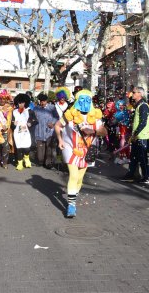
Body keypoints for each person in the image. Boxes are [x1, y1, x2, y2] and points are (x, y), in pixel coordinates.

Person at [55, 89, 106, 218]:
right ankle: (71, 205)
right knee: (73, 175)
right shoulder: (69, 114)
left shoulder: (95, 116)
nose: (84, 103)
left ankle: (72, 199)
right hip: (70, 148)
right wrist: (60, 140)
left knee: (79, 178)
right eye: (81, 99)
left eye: (87, 100)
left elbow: (104, 131)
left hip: (87, 151)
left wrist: (92, 131)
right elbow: (57, 126)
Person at [120, 87, 149, 184]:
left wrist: (135, 134)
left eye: (134, 92)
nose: (132, 94)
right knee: (134, 156)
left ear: (140, 94)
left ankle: (147, 176)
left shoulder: (143, 106)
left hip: (142, 136)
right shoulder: (138, 105)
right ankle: (132, 174)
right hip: (137, 136)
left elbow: (143, 122)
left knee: (142, 157)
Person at [11, 93, 37, 171]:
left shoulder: (30, 111)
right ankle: (19, 163)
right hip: (17, 133)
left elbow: (36, 121)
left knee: (26, 147)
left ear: (25, 102)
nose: (21, 104)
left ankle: (26, 158)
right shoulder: (14, 112)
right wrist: (13, 124)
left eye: (22, 102)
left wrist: (31, 123)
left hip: (26, 133)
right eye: (19, 102)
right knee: (19, 148)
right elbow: (11, 123)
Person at [34, 93, 59, 169]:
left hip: (49, 132)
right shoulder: (36, 109)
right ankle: (41, 161)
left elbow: (57, 117)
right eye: (41, 101)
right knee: (40, 151)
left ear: (46, 101)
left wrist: (53, 123)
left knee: (49, 148)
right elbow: (32, 118)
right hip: (39, 131)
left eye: (44, 101)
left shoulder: (52, 108)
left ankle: (48, 163)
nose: (42, 103)